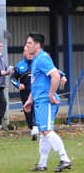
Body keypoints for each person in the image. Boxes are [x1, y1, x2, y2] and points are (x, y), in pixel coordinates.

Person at [24, 32, 72, 172]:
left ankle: (65, 159)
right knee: (43, 132)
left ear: (37, 45)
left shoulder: (43, 58)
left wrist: (51, 94)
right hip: (39, 101)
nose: (26, 46)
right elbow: (37, 82)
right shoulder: (36, 60)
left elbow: (55, 76)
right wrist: (29, 99)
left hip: (46, 100)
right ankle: (42, 164)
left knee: (46, 131)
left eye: (29, 43)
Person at [11, 46, 39, 140]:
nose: (30, 55)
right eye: (28, 53)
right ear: (24, 53)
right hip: (25, 93)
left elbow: (52, 71)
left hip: (36, 91)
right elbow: (12, 78)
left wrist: (62, 75)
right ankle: (32, 128)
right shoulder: (19, 65)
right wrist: (18, 85)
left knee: (36, 109)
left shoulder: (38, 63)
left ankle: (36, 127)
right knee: (28, 111)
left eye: (32, 53)